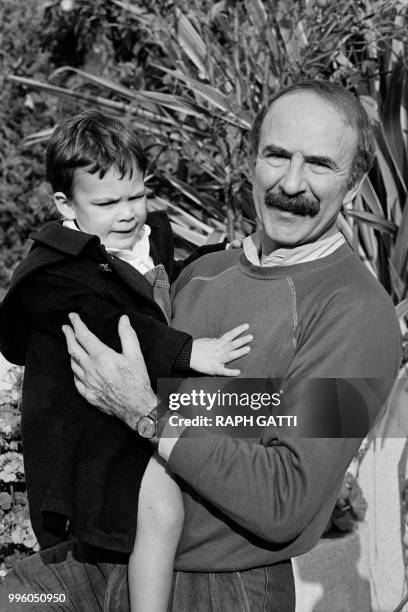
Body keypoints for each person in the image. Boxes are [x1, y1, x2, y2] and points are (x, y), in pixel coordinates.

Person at [0, 81, 402, 611]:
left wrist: (146, 412)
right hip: (95, 562)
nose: (292, 182)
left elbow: (286, 499)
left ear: (352, 186)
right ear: (253, 162)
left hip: (216, 588)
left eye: (320, 164)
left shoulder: (360, 314)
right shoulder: (200, 273)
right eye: (276, 155)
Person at [0, 110, 252, 612]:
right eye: (109, 202)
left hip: (161, 413)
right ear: (65, 204)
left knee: (154, 509)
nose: (128, 213)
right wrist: (188, 351)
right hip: (90, 421)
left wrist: (220, 253)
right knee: (155, 508)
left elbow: (165, 279)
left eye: (137, 196)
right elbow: (114, 321)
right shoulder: (59, 267)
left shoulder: (144, 237)